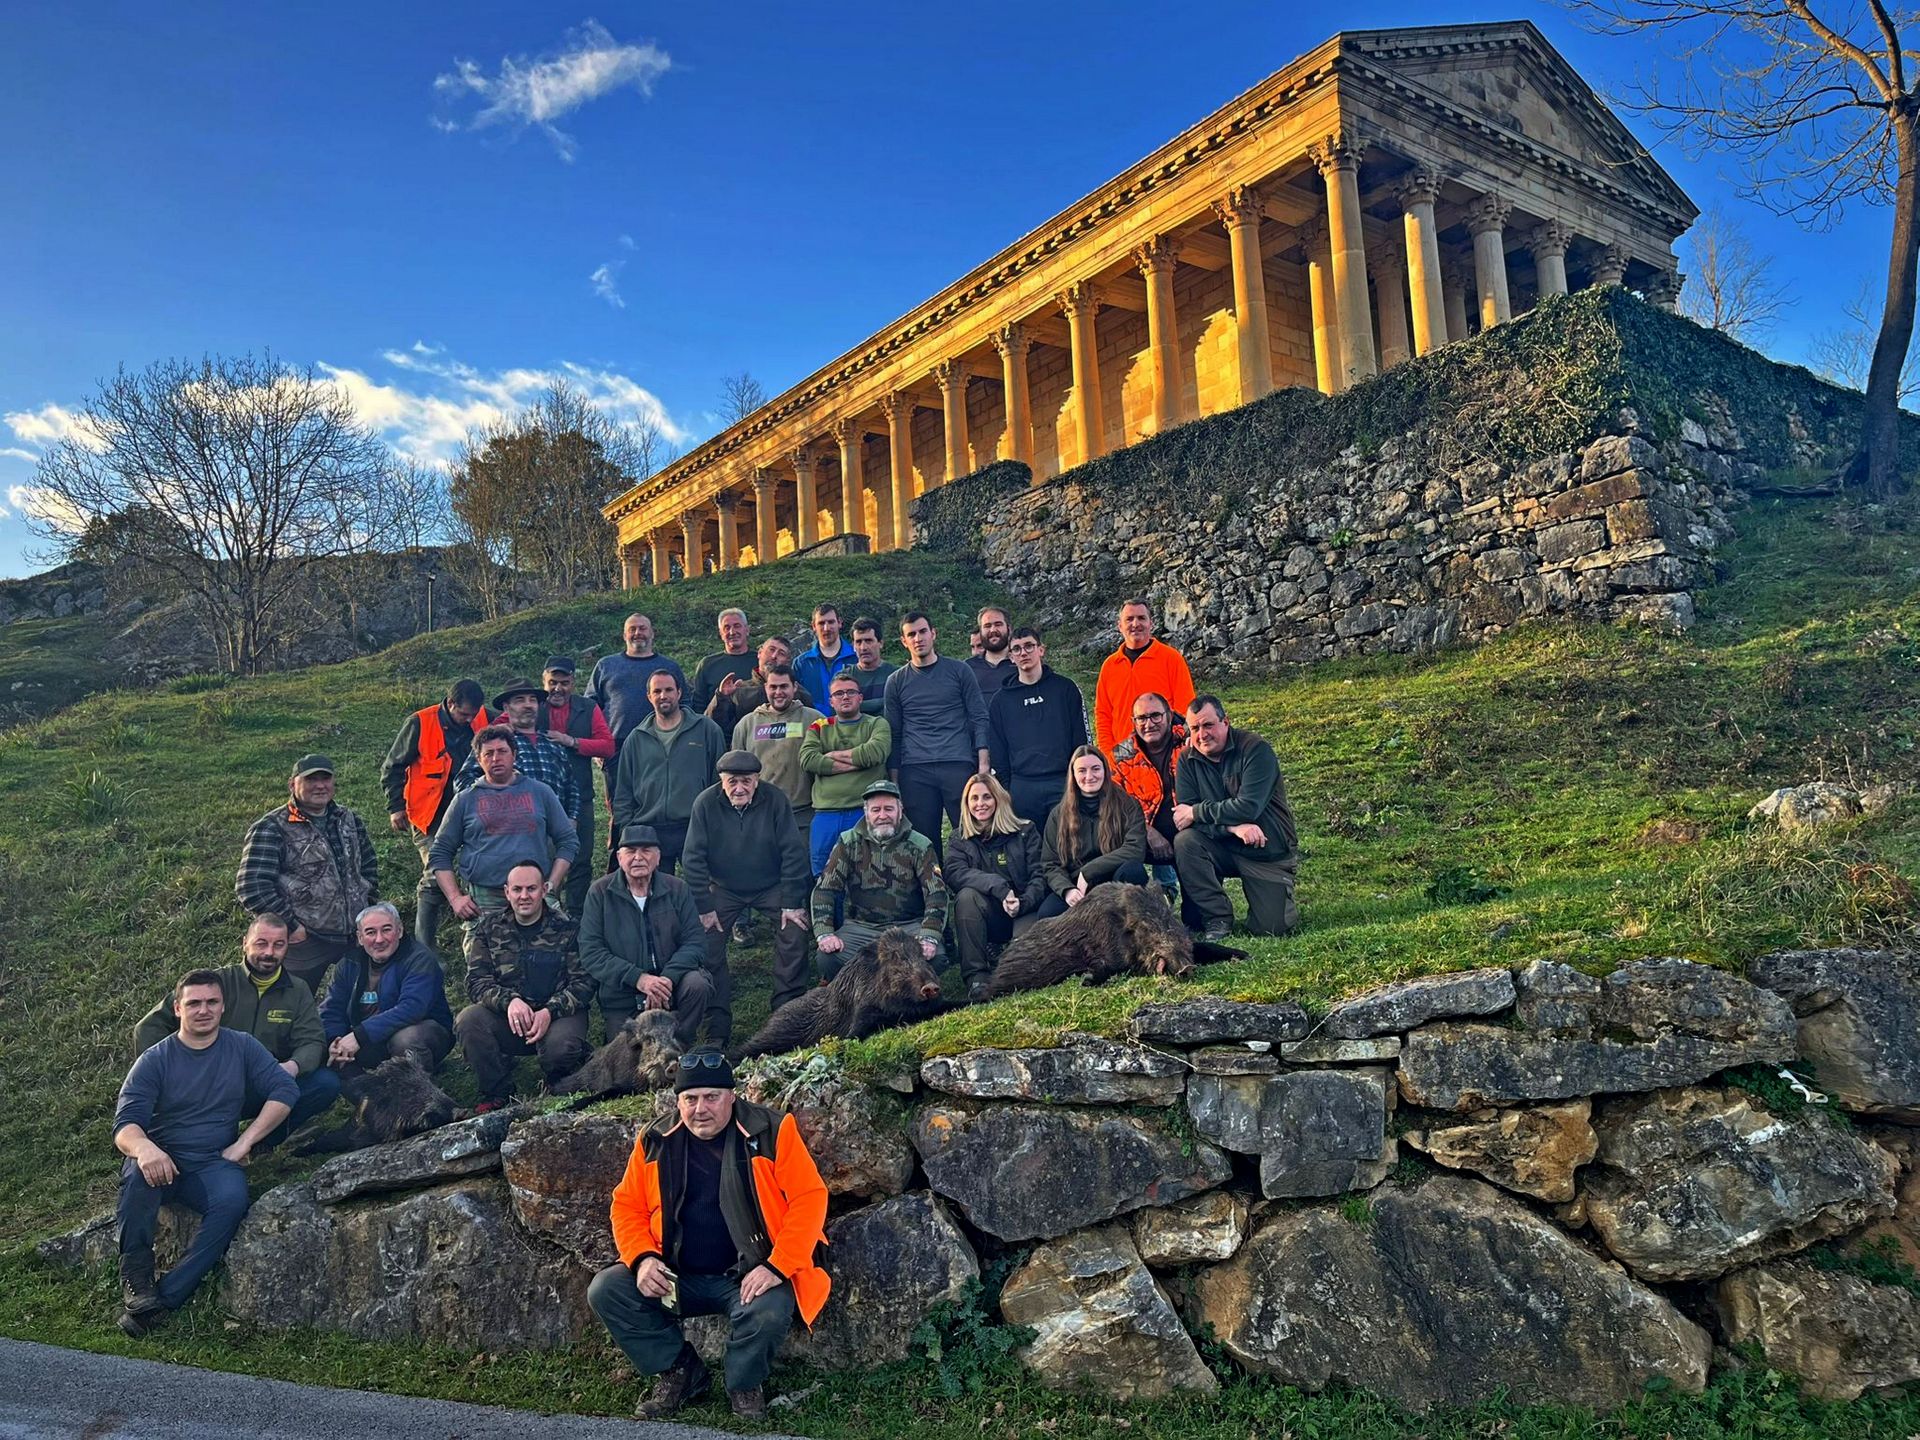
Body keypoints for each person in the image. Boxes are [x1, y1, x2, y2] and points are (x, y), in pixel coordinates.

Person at [587, 1052, 828, 1421]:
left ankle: (744, 1385)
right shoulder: (654, 1139)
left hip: (748, 1276)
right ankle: (682, 1372)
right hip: (676, 1279)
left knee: (768, 1310)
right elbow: (627, 1206)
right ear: (678, 1101)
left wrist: (777, 1266)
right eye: (690, 1098)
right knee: (608, 1289)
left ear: (732, 1096)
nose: (700, 1108)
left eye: (711, 1097)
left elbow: (809, 1199)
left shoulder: (773, 1130)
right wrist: (642, 1259)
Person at [113, 968, 298, 1336]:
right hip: (162, 1160)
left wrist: (245, 1142)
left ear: (222, 1006)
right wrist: (146, 1148)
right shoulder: (155, 1058)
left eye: (212, 1002)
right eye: (194, 1003)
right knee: (136, 1174)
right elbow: (125, 1126)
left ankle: (165, 1299)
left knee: (232, 1200)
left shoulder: (241, 1046)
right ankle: (136, 1279)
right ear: (178, 1009)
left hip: (213, 1162)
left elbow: (284, 1090)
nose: (204, 1009)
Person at [131, 913, 340, 1149]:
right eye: (261, 943)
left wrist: (292, 1067)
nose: (269, 952)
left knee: (326, 1083)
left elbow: (312, 1041)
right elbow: (148, 1027)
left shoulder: (298, 990)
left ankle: (261, 1143)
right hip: (210, 1088)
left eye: (278, 945)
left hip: (263, 1083)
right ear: (245, 943)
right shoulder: (216, 983)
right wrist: (176, 1075)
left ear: (287, 946)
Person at [681, 751, 812, 1031]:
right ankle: (716, 1016)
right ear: (721, 781)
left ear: (757, 780)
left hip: (771, 884)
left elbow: (793, 851)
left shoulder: (775, 799)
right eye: (732, 782)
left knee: (795, 929)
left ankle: (788, 1008)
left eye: (746, 781)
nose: (739, 788)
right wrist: (704, 907)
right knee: (705, 938)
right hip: (725, 887)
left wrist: (791, 902)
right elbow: (692, 858)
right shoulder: (704, 803)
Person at [455, 860, 596, 1111]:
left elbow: (584, 983)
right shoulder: (488, 928)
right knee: (469, 1020)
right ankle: (497, 1092)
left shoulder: (568, 928)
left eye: (531, 889)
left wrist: (549, 1011)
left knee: (560, 1048)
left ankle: (560, 1082)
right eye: (517, 889)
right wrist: (509, 1001)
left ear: (544, 890)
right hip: (509, 1018)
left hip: (557, 1017)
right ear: (506, 892)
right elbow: (476, 981)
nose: (524, 896)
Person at [235, 753, 379, 991]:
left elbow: (369, 864)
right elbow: (251, 886)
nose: (320, 785)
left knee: (357, 1001)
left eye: (326, 778)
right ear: (293, 784)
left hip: (353, 936)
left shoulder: (349, 819)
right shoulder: (272, 827)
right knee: (289, 1005)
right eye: (311, 780)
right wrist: (292, 927)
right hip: (305, 941)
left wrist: (367, 906)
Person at [1173, 695, 1300, 939]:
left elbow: (1248, 807)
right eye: (1195, 728)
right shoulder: (1186, 759)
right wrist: (1232, 828)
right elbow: (1183, 819)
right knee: (1186, 841)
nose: (1202, 734)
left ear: (1226, 722)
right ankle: (1217, 919)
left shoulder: (1256, 749)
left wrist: (1198, 812)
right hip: (1223, 846)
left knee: (1271, 928)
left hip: (1265, 849)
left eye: (1208, 725)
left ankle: (1276, 895)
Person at [580, 824, 714, 1047]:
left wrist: (667, 979)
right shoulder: (599, 893)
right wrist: (640, 979)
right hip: (624, 993)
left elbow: (695, 942)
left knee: (697, 984)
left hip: (672, 987)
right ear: (620, 858)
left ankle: (680, 1042)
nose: (638, 858)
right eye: (631, 851)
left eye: (646, 850)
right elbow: (591, 952)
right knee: (628, 1060)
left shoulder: (678, 889)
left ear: (658, 857)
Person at [380, 679, 489, 948]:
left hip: (472, 812)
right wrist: (395, 808)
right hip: (430, 815)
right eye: (464, 714)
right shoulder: (419, 722)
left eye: (473, 715)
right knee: (434, 876)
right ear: (450, 704)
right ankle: (424, 949)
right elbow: (392, 768)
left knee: (476, 868)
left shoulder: (484, 718)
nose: (469, 720)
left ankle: (481, 937)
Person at [429, 724, 578, 919]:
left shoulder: (541, 792)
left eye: (502, 751)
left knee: (558, 942)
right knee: (483, 949)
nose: (496, 758)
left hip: (534, 894)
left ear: (514, 755)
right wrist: (455, 897)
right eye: (488, 753)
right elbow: (440, 852)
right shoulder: (465, 799)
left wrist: (552, 885)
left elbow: (568, 840)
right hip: (485, 898)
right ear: (478, 760)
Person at [883, 611, 989, 861]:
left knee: (970, 833)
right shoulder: (895, 682)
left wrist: (983, 764)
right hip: (915, 770)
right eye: (911, 634)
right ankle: (934, 892)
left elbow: (978, 717)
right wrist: (895, 782)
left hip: (958, 764)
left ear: (933, 634)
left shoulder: (959, 671)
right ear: (903, 641)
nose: (918, 638)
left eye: (922, 631)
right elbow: (894, 734)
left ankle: (973, 887)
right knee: (923, 841)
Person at [811, 780, 949, 972]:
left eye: (889, 809)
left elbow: (937, 895)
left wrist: (929, 936)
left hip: (908, 927)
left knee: (935, 960)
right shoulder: (848, 842)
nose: (882, 816)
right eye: (876, 810)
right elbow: (825, 889)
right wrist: (825, 934)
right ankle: (858, 995)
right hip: (861, 927)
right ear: (866, 812)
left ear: (900, 811)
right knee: (828, 959)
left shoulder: (920, 845)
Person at [320, 902, 456, 1076]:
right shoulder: (348, 963)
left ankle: (418, 1091)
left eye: (386, 930)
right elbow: (331, 1009)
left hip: (421, 1034)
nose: (379, 939)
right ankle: (369, 1099)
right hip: (368, 1039)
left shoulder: (419, 959)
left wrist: (359, 1036)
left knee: (406, 1039)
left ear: (399, 931)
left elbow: (412, 1008)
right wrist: (334, 1040)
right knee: (327, 1049)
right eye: (370, 932)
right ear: (360, 938)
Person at [610, 669, 724, 876]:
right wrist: (629, 829)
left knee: (701, 893)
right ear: (649, 696)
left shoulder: (707, 730)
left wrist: (714, 823)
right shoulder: (636, 738)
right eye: (657, 691)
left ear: (679, 693)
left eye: (669, 690)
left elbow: (719, 782)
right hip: (650, 829)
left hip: (694, 826)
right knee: (657, 898)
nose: (663, 696)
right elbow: (623, 792)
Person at [944, 773, 1046, 1001]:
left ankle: (1008, 967)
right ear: (966, 803)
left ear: (999, 799)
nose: (980, 804)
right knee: (966, 897)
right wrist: (998, 886)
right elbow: (954, 873)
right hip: (987, 912)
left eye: (987, 797)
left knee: (1021, 966)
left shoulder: (1025, 831)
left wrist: (1024, 901)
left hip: (1023, 909)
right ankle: (976, 978)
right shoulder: (959, 838)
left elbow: (1040, 875)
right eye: (974, 798)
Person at [536, 656, 614, 915]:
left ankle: (577, 916)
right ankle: (545, 913)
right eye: (552, 682)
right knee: (543, 859)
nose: (558, 688)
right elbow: (501, 726)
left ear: (574, 683)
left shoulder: (588, 707)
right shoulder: (532, 705)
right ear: (543, 681)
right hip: (542, 799)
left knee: (581, 859)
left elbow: (607, 745)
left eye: (564, 683)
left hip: (580, 797)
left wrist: (572, 741)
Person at [986, 626, 1087, 825]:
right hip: (1023, 787)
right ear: (1011, 657)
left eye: (1029, 646)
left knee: (1068, 847)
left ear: (1041, 650)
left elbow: (1082, 739)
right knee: (1030, 851)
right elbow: (997, 749)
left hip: (1062, 782)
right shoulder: (1000, 701)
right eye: (1016, 649)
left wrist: (1077, 779)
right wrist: (1009, 788)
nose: (1023, 652)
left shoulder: (1065, 689)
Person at [798, 671, 891, 875]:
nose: (845, 697)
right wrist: (858, 762)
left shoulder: (876, 724)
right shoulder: (819, 726)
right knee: (824, 875)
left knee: (869, 874)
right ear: (831, 701)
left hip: (864, 812)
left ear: (860, 697)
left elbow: (875, 752)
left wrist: (830, 756)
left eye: (850, 692)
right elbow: (807, 759)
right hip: (826, 813)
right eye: (839, 694)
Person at [1042, 745, 1150, 909]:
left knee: (1134, 871)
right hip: (1078, 885)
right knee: (1048, 912)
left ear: (1105, 771)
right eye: (1082, 771)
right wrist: (1067, 890)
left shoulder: (1127, 805)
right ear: (1073, 775)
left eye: (1095, 769)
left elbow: (1136, 849)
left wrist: (1089, 870)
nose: (1089, 776)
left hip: (1115, 878)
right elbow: (1050, 864)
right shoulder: (1059, 815)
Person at [452, 679, 577, 819]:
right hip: (509, 831)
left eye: (532, 700)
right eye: (520, 700)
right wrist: (495, 800)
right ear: (506, 708)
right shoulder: (494, 743)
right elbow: (462, 782)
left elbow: (571, 788)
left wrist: (572, 819)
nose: (528, 705)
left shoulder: (553, 743)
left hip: (551, 831)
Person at [731, 663, 823, 840]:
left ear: (794, 687)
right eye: (773, 687)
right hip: (759, 815)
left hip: (803, 815)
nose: (778, 692)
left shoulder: (815, 719)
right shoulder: (746, 724)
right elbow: (735, 773)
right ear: (766, 688)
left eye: (784, 686)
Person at [1093, 599, 1196, 757]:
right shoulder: (1109, 666)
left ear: (1151, 624)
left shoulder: (1171, 658)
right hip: (1123, 754)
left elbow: (1185, 708)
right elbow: (1103, 714)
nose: (1136, 624)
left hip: (1163, 750)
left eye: (1141, 618)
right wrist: (1108, 754)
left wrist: (1177, 747)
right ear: (1120, 626)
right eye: (1129, 619)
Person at [1110, 692, 1187, 897]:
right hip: (1143, 836)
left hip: (1187, 834)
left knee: (1195, 919)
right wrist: (1148, 832)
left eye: (1155, 716)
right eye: (1141, 718)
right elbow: (1114, 804)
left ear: (1169, 716)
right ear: (1133, 722)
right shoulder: (1122, 754)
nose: (1149, 723)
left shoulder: (1190, 743)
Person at [585, 613, 690, 756]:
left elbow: (685, 704)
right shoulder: (605, 665)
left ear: (652, 633)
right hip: (617, 747)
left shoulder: (670, 667)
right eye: (632, 629)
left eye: (642, 628)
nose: (637, 633)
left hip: (662, 744)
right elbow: (591, 707)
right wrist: (599, 743)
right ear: (624, 635)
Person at [706, 636, 812, 738]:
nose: (774, 656)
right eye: (771, 649)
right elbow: (712, 728)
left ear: (787, 662)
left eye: (781, 653)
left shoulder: (799, 694)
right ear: (760, 653)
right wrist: (721, 697)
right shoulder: (739, 691)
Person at [686, 608, 756, 716]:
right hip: (717, 730)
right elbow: (698, 706)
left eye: (737, 626)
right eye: (727, 628)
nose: (732, 632)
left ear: (747, 630)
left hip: (755, 728)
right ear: (721, 633)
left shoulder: (760, 661)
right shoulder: (708, 664)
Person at [790, 602, 858, 705]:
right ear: (813, 626)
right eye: (821, 623)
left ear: (839, 623)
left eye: (831, 622)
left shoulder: (856, 657)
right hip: (812, 721)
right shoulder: (801, 664)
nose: (826, 628)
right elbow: (794, 703)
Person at [847, 616, 896, 716]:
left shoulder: (896, 675)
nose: (863, 647)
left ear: (880, 643)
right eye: (858, 642)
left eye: (868, 641)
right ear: (853, 646)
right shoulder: (845, 678)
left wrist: (859, 705)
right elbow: (839, 711)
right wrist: (884, 702)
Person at [965, 606, 1016, 696]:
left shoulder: (1023, 662)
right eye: (987, 626)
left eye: (998, 624)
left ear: (1009, 629)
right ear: (980, 631)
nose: (993, 630)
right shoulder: (966, 669)